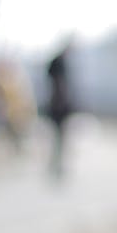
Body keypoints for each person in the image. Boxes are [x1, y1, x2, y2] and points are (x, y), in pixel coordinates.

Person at [44, 37, 75, 180]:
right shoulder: (61, 63)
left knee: (58, 138)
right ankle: (57, 165)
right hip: (59, 108)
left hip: (55, 106)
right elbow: (61, 86)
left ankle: (55, 164)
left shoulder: (55, 62)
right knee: (60, 138)